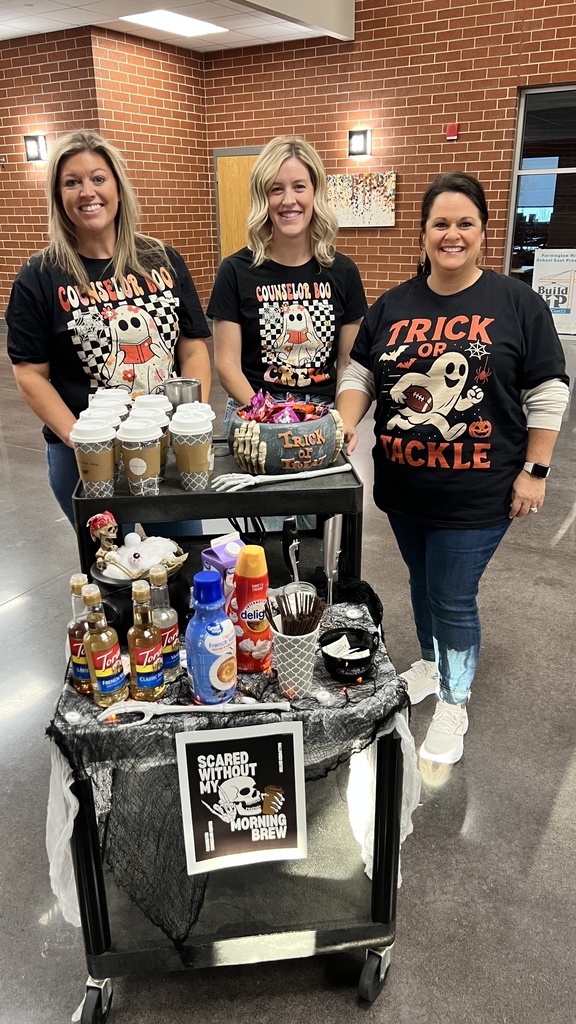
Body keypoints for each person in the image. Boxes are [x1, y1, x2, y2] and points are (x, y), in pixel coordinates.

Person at [336, 171, 570, 765]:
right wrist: (346, 420)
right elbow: (361, 372)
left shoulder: (516, 303)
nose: (452, 234)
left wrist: (536, 470)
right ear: (423, 233)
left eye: (465, 223)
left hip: (479, 492)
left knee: (452, 596)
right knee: (421, 582)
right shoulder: (395, 304)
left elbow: (547, 390)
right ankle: (430, 663)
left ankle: (454, 699)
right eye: (440, 223)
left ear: (484, 232)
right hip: (405, 487)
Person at [6, 129, 211, 527]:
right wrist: (83, 439)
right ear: (58, 196)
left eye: (98, 178)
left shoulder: (161, 259)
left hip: (164, 445)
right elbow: (30, 375)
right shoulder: (39, 276)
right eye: (72, 182)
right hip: (83, 457)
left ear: (117, 187)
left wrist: (191, 418)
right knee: (110, 559)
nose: (88, 192)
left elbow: (192, 348)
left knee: (182, 553)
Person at [207, 134, 367, 532]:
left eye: (299, 186)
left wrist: (342, 419)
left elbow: (349, 363)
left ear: (315, 193)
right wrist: (272, 417)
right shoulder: (235, 271)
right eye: (275, 189)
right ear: (262, 197)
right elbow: (226, 365)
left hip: (321, 415)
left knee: (320, 537)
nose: (288, 200)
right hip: (255, 413)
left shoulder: (343, 272)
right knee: (271, 537)